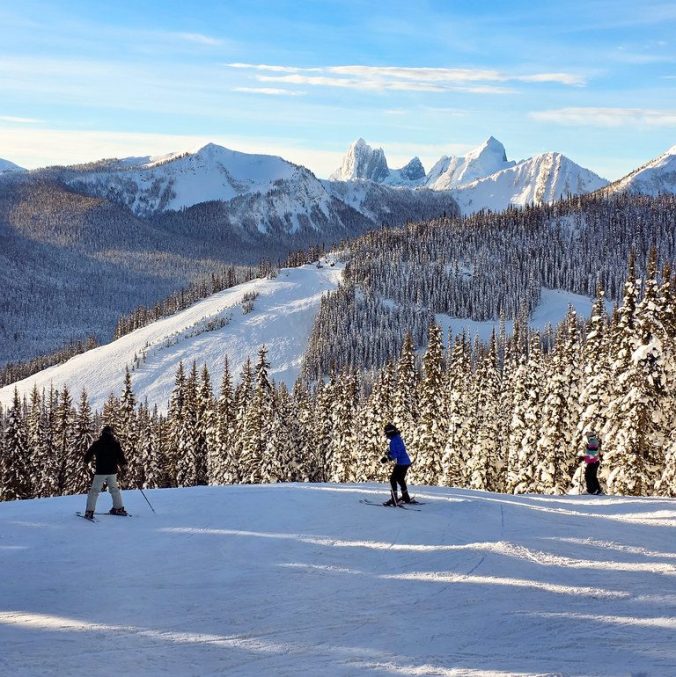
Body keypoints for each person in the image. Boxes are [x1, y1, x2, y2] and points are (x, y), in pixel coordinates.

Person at [83, 425, 129, 519]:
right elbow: (121, 456)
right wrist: (124, 464)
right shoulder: (115, 444)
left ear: (102, 433)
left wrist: (86, 461)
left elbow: (89, 454)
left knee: (94, 491)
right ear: (111, 433)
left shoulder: (98, 443)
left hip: (100, 471)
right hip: (112, 471)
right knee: (114, 490)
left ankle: (89, 511)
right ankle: (118, 508)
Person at [381, 423, 412, 505]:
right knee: (400, 479)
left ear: (389, 432)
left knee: (392, 479)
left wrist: (387, 458)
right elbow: (399, 450)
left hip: (401, 463)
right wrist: (389, 453)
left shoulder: (393, 442)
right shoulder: (398, 438)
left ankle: (394, 499)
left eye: (386, 432)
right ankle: (406, 497)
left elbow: (395, 455)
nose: (386, 434)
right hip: (406, 462)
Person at [578, 430, 604, 495]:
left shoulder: (592, 442)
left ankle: (591, 490)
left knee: (588, 476)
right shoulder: (594, 442)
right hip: (595, 462)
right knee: (593, 476)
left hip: (593, 462)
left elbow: (591, 455)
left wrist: (583, 458)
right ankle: (598, 490)